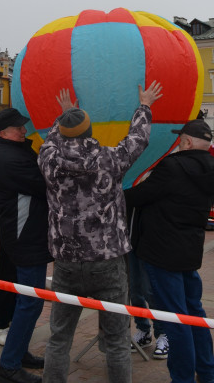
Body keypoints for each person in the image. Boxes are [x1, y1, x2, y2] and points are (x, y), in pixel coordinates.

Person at [39, 81, 163, 383]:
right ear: (90, 130)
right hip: (108, 260)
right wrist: (144, 106)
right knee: (117, 339)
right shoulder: (109, 159)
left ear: (63, 133)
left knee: (59, 338)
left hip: (67, 262)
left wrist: (64, 116)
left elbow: (51, 140)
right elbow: (137, 139)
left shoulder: (48, 160)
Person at [125, 119, 214, 383]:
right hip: (189, 249)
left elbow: (138, 197)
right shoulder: (213, 168)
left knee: (175, 318)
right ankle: (207, 373)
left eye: (180, 139)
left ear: (187, 142)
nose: (178, 142)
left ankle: (182, 377)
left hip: (162, 252)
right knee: (195, 313)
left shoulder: (172, 167)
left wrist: (129, 185)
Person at [0, 107, 51, 383]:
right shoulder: (9, 159)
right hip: (25, 238)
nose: (24, 131)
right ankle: (9, 366)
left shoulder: (14, 150)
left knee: (26, 300)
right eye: (18, 128)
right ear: (3, 133)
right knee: (30, 302)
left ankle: (20, 353)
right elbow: (46, 185)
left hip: (25, 234)